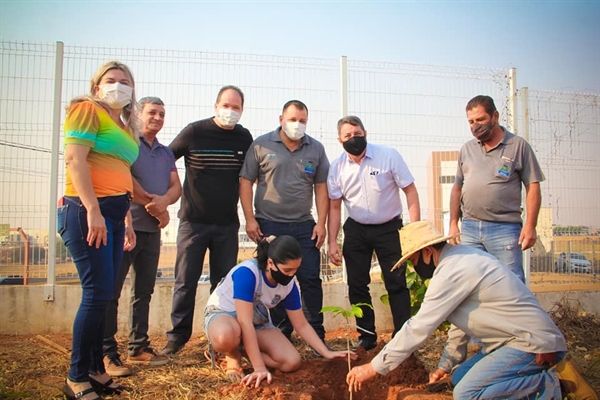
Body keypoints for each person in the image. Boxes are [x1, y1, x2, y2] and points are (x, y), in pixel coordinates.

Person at [345, 221, 579, 400]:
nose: (414, 267)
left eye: (413, 260)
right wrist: (445, 366)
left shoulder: (452, 270)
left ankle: (550, 385)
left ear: (428, 252)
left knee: (467, 393)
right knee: (458, 377)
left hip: (532, 344)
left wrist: (374, 367)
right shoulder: (459, 259)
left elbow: (418, 327)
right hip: (507, 342)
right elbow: (461, 323)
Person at [57, 61, 139, 400]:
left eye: (124, 82)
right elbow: (75, 160)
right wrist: (93, 210)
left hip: (114, 216)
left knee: (104, 295)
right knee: (95, 294)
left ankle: (94, 370)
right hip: (86, 211)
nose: (117, 86)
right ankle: (76, 377)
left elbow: (119, 173)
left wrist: (126, 218)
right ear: (96, 87)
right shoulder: (86, 110)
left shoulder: (121, 125)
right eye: (110, 80)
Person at [163, 85, 253, 355]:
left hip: (227, 225)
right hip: (193, 222)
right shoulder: (195, 131)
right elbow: (166, 158)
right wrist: (172, 189)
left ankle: (220, 340)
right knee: (185, 281)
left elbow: (251, 175)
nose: (230, 111)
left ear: (242, 110)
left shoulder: (244, 137)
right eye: (226, 105)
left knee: (223, 285)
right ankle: (177, 338)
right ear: (215, 107)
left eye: (236, 107)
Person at [203, 235, 354, 388]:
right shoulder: (247, 274)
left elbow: (301, 324)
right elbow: (244, 322)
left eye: (295, 269)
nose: (291, 275)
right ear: (271, 263)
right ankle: (232, 355)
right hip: (224, 315)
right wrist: (259, 368)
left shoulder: (289, 285)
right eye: (287, 270)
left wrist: (326, 352)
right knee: (226, 336)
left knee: (291, 361)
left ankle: (242, 350)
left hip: (257, 322)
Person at [102, 96, 181, 376]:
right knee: (110, 293)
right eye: (152, 112)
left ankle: (138, 347)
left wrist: (164, 204)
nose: (157, 118)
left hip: (152, 232)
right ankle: (107, 353)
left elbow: (176, 187)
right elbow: (122, 179)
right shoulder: (126, 143)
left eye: (162, 113)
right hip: (125, 228)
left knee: (143, 292)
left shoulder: (165, 152)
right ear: (137, 113)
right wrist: (154, 204)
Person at [327, 116, 420, 351]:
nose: (353, 139)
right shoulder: (336, 168)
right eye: (348, 136)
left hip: (389, 228)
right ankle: (367, 337)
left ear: (365, 133)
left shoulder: (388, 156)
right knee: (357, 284)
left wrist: (415, 230)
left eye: (357, 134)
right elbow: (335, 207)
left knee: (396, 281)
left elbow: (409, 190)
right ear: (340, 140)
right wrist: (332, 242)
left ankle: (402, 337)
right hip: (356, 229)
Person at [240, 100, 329, 343]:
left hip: (304, 226)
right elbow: (246, 181)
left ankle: (316, 334)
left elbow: (321, 188)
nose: (297, 125)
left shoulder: (316, 149)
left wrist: (321, 223)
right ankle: (280, 332)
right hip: (269, 224)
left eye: (302, 121)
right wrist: (249, 219)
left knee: (310, 278)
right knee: (274, 278)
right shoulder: (260, 145)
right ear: (281, 119)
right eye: (292, 119)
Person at [449, 95, 545, 283]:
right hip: (469, 228)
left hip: (504, 229)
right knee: (471, 283)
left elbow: (532, 186)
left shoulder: (518, 146)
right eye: (471, 121)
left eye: (480, 120)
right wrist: (453, 223)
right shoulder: (467, 149)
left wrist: (530, 225)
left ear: (495, 116)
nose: (475, 125)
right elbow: (457, 188)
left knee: (511, 284)